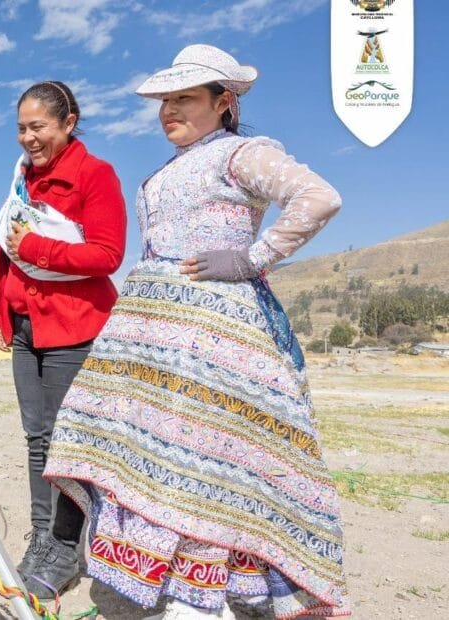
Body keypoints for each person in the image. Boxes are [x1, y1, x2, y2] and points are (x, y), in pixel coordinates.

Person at [42, 45, 349, 619]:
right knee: (158, 457)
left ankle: (205, 597)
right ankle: (178, 586)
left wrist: (253, 256)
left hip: (213, 339)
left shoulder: (240, 154)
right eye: (165, 100)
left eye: (184, 98)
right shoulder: (170, 168)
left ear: (224, 102)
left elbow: (318, 197)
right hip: (157, 340)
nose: (168, 110)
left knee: (208, 460)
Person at [0, 81, 127, 601]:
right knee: (37, 440)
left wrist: (41, 248)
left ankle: (67, 549)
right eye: (21, 128)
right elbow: (8, 251)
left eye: (38, 127)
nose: (28, 138)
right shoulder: (22, 180)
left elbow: (107, 254)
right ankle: (42, 539)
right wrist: (2, 311)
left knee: (68, 443)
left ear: (68, 122)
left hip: (74, 326)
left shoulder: (96, 175)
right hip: (27, 327)